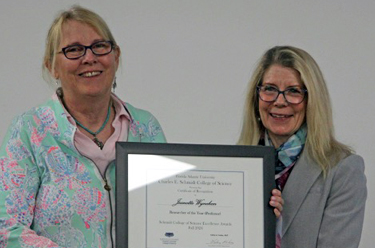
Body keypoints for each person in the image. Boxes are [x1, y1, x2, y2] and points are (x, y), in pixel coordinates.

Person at [0, 5, 166, 247]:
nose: (90, 58)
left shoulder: (146, 127)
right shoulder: (28, 131)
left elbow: (167, 213)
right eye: (74, 50)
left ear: (116, 56)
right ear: (52, 66)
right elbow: (7, 228)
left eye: (99, 46)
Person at [238, 46, 367, 248]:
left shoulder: (343, 170)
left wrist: (274, 225)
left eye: (294, 91)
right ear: (256, 98)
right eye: (270, 89)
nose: (280, 102)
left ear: (312, 101)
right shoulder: (236, 168)